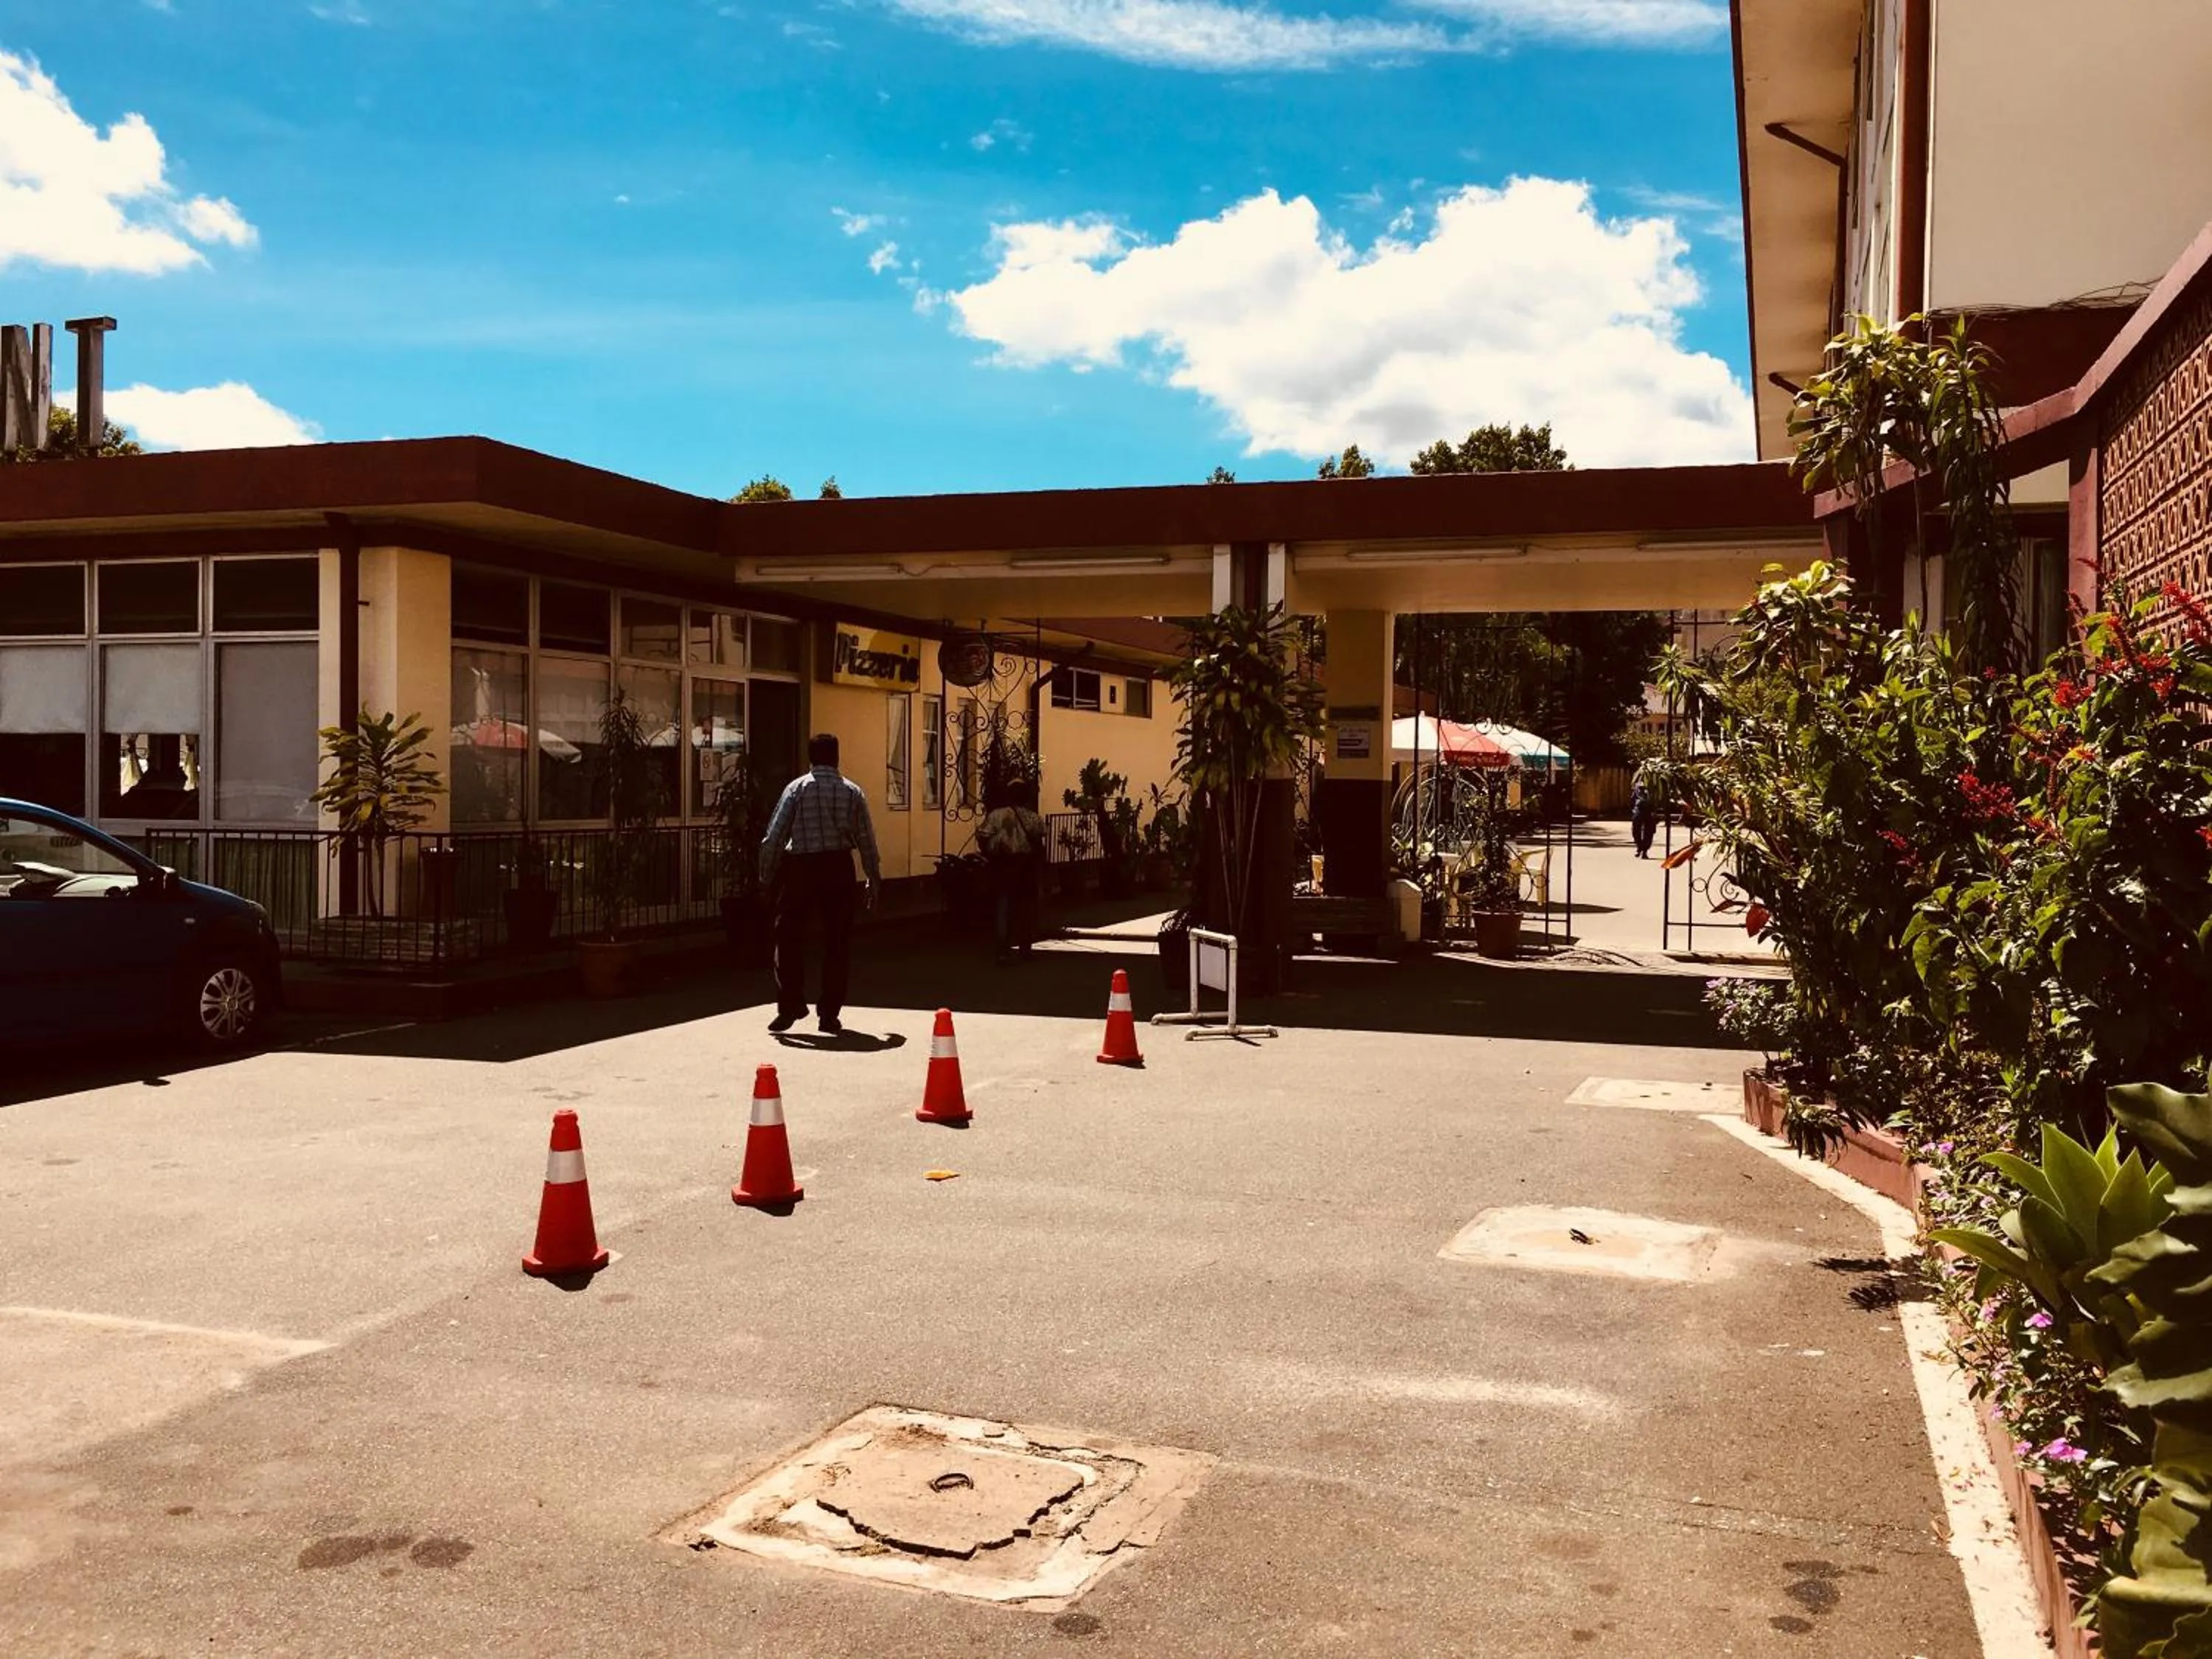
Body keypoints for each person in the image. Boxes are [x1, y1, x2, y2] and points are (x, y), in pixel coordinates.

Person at [759, 733, 880, 1034]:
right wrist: (873, 878)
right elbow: (866, 839)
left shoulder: (796, 789)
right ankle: (829, 1013)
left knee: (787, 935)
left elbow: (774, 837)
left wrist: (766, 876)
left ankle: (791, 1003)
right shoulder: (853, 792)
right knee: (837, 941)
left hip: (802, 867)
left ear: (810, 758)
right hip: (839, 867)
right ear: (837, 757)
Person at [978, 780, 1046, 964]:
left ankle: (1003, 950)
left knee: (1003, 907)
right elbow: (1040, 845)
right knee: (1026, 909)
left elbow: (983, 837)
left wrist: (992, 854)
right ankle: (1025, 949)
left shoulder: (996, 816)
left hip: (1003, 866)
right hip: (1026, 866)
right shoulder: (1034, 818)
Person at [1630, 779, 1658, 859]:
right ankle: (1639, 847)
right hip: (1639, 810)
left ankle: (1645, 851)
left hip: (1649, 811)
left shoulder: (1654, 784)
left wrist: (1655, 811)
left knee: (1649, 832)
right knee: (1636, 830)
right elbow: (1633, 799)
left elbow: (1656, 798)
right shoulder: (1637, 785)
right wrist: (1633, 809)